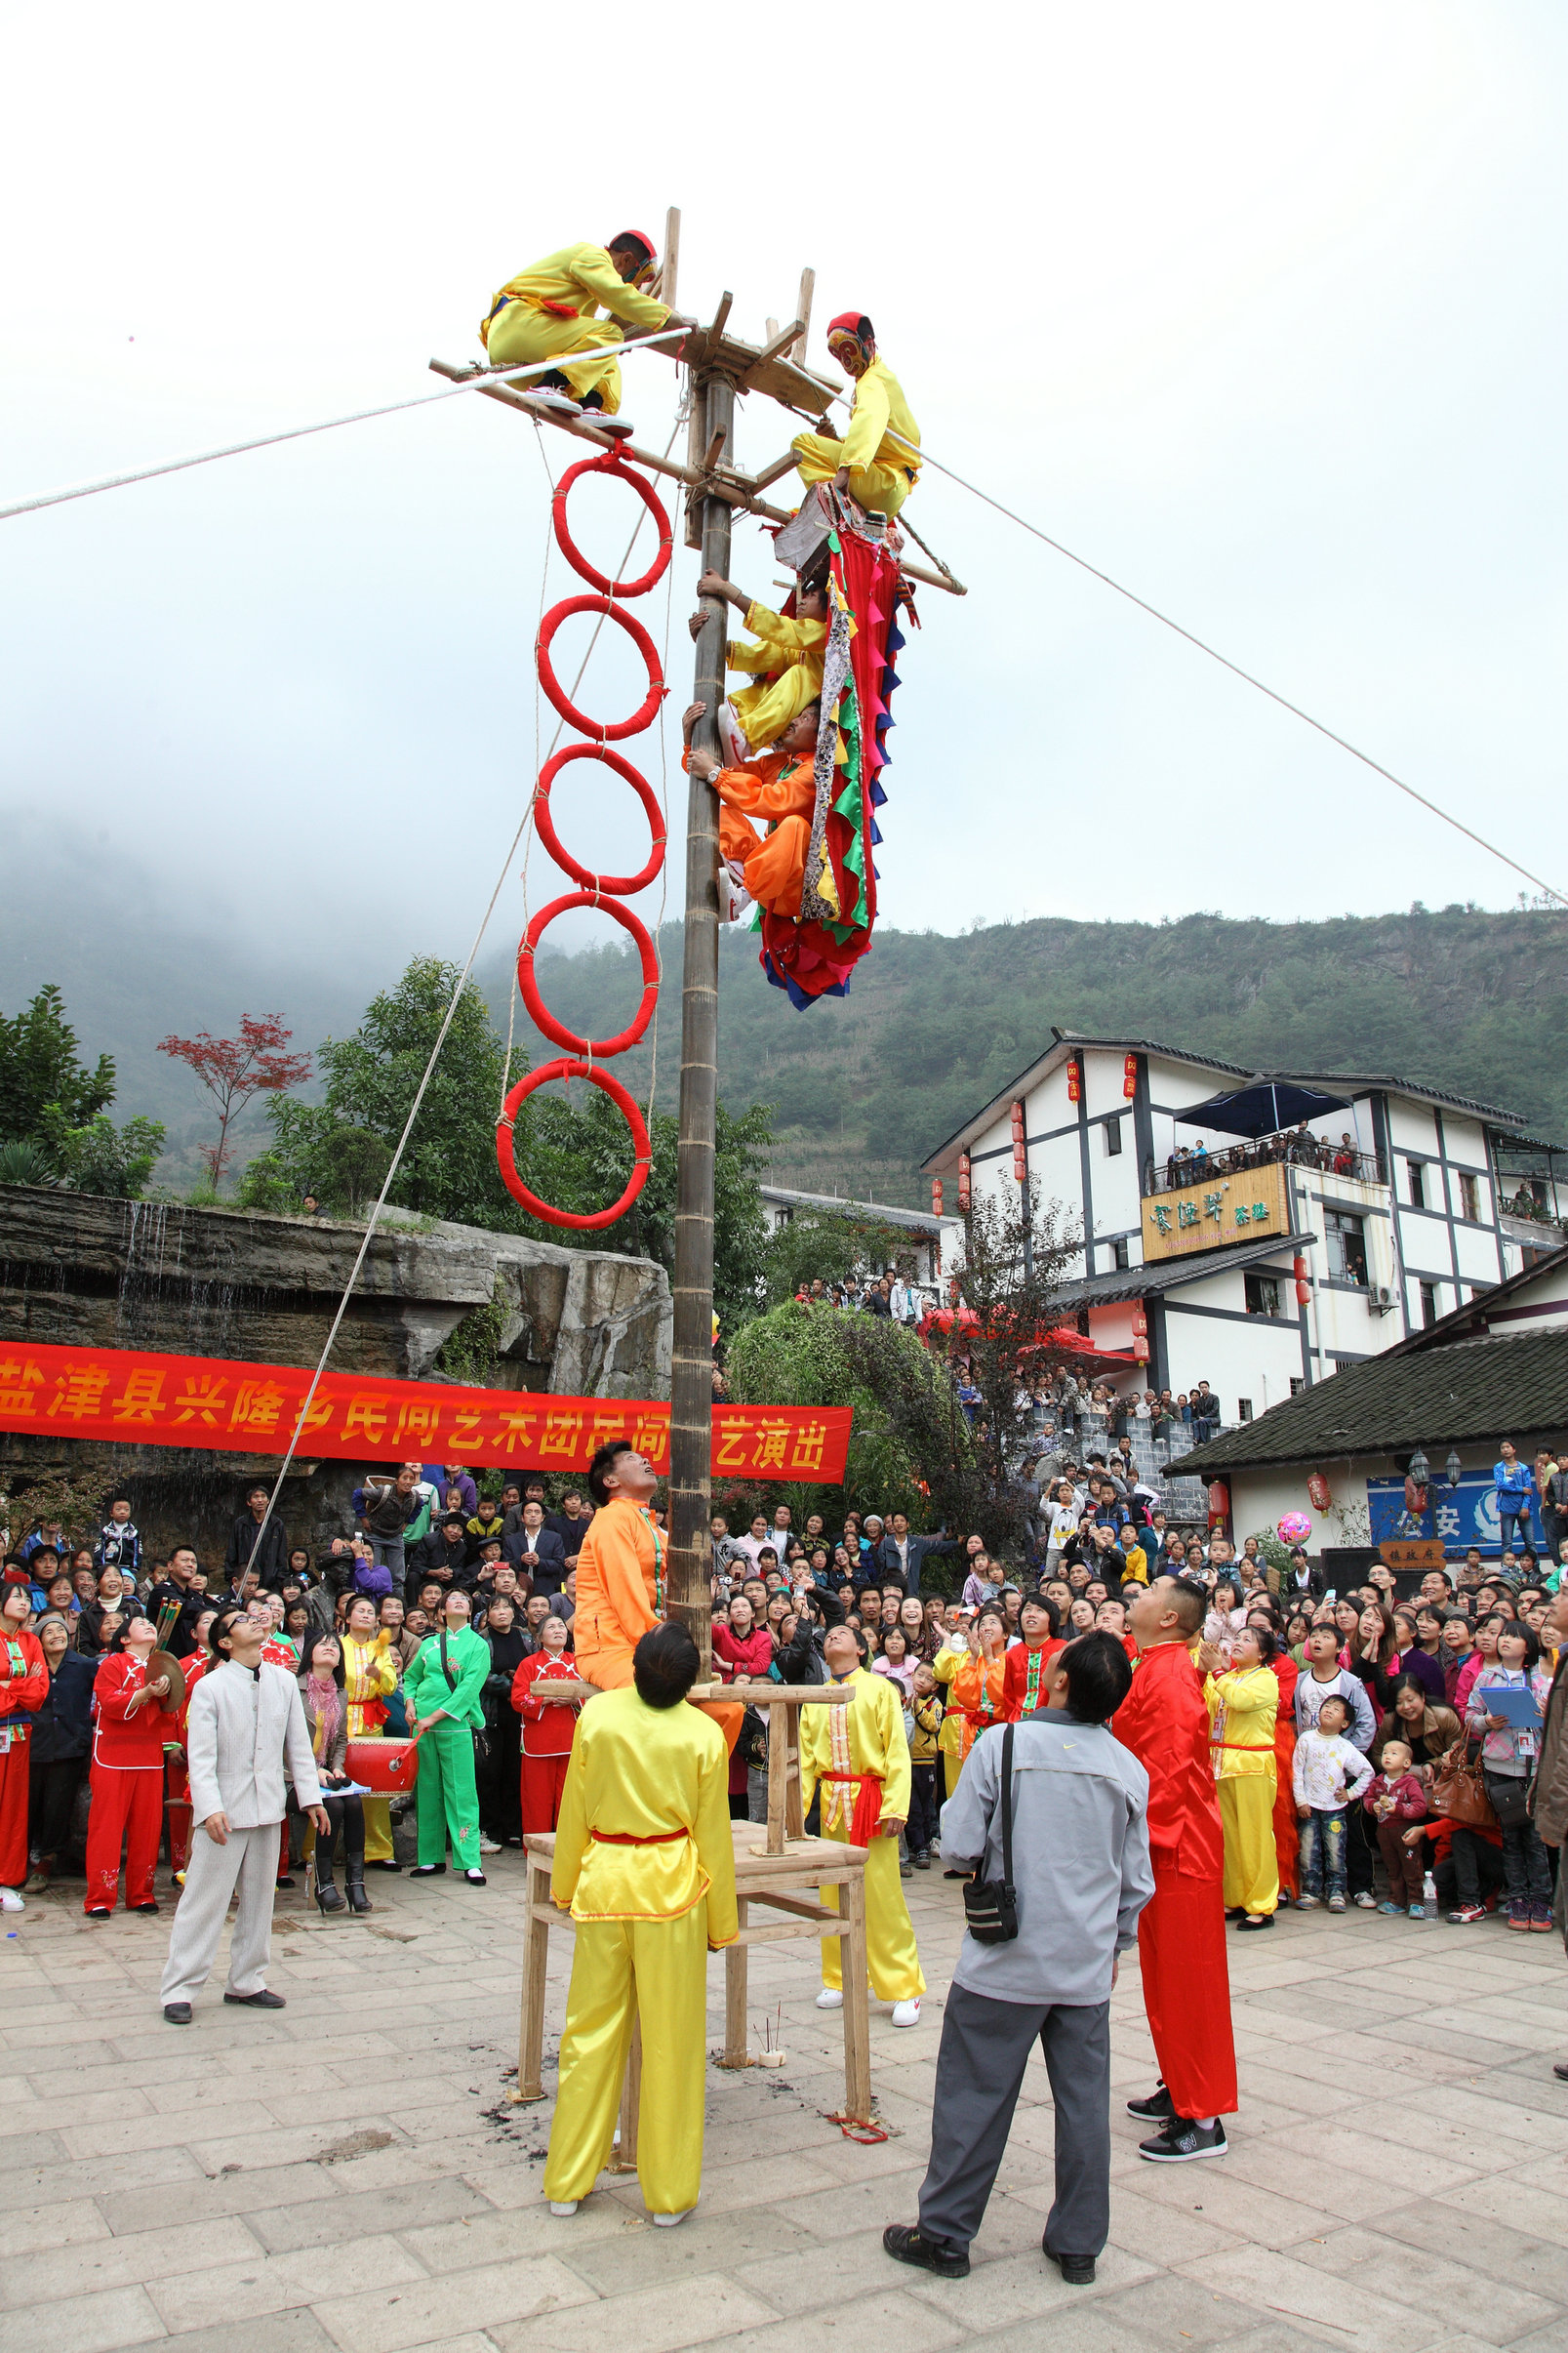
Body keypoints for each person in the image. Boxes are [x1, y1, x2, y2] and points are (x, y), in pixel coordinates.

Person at [884, 1633, 1151, 2286]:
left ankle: (946, 2234)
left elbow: (958, 1845)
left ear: (1058, 1682)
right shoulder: (1126, 1768)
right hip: (1083, 1966)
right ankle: (1078, 2243)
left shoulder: (1000, 1744)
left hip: (1002, 1960)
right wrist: (1113, 1944)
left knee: (972, 2095)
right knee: (1084, 2106)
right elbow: (1135, 1883)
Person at [543, 1622, 738, 2226]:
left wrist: (564, 1884)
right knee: (672, 2042)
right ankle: (669, 2193)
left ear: (634, 1665)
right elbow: (714, 1836)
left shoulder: (597, 1717)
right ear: (689, 1679)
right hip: (671, 1892)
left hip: (603, 1883)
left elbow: (574, 1804)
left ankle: (567, 2181)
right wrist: (721, 1922)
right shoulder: (704, 1734)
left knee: (588, 2034)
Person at [1114, 1576, 1236, 2161]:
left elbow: (1166, 1771)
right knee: (1165, 1979)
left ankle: (1204, 2116)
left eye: (1150, 1591)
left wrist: (1138, 1843)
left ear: (1169, 1618)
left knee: (1190, 1984)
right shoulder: (1155, 1665)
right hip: (1166, 1843)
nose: (1135, 1596)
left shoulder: (1167, 1675)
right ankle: (1180, 2085)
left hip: (1177, 1846)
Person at [160, 1605, 330, 2024]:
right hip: (226, 1809)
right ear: (224, 1642)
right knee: (203, 1900)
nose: (254, 1619)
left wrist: (310, 1798)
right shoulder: (210, 1687)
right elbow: (200, 1758)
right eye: (240, 1620)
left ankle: (247, 1981)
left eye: (254, 1617)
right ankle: (179, 1988)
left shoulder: (283, 1681)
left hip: (268, 1805)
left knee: (259, 1901)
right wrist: (210, 1808)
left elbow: (298, 1746)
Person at [571, 1440, 740, 1754]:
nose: (646, 1460)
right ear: (611, 1481)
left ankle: (694, 1795)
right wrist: (669, 1651)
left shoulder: (651, 1525)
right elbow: (627, 1595)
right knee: (667, 1711)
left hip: (651, 1647)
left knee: (728, 1710)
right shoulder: (611, 1518)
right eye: (633, 1459)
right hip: (612, 1648)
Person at [799, 1623, 924, 2027]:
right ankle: (838, 1976)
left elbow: (896, 1752)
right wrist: (794, 1816)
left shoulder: (881, 1689)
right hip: (832, 1802)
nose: (834, 1637)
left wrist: (894, 1807)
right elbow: (804, 1761)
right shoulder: (814, 1698)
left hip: (871, 1801)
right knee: (832, 1895)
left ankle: (904, 1986)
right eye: (829, 1634)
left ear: (861, 1647)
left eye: (843, 1633)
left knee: (882, 1897)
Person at [479, 230, 689, 426]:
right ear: (626, 260)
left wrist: (610, 347)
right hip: (518, 325)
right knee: (610, 333)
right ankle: (550, 386)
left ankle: (592, 408)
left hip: (522, 345)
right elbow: (617, 294)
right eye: (637, 280)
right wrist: (669, 317)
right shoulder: (592, 256)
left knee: (606, 356)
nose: (635, 288)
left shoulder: (587, 295)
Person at [683, 698, 823, 925]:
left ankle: (744, 894)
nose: (794, 721)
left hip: (797, 885)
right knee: (721, 809)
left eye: (805, 718)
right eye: (797, 715)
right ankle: (736, 880)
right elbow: (726, 773)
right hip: (769, 876)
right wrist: (692, 743)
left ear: (819, 738)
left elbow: (769, 801)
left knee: (795, 825)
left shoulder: (815, 771)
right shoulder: (779, 762)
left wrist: (715, 774)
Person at [84, 1612, 180, 1918]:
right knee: (107, 1828)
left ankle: (141, 1892)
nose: (148, 1624)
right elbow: (109, 1702)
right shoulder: (113, 1663)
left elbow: (171, 1711)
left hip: (149, 1757)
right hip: (113, 1756)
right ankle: (100, 1896)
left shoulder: (161, 1665)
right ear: (124, 1638)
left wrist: (164, 1695)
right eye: (139, 1624)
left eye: (150, 1623)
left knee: (148, 1828)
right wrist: (146, 1693)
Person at [791, 312, 921, 520]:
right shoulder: (880, 377)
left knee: (802, 445)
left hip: (886, 482)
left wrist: (846, 470)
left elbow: (869, 416)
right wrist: (835, 442)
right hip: (889, 485)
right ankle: (852, 508)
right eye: (839, 353)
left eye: (848, 349)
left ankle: (839, 508)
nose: (845, 359)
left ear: (869, 344)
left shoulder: (872, 380)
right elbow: (873, 436)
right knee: (822, 451)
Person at [1467, 1622, 1554, 1929]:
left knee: (1535, 1838)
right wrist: (1486, 1722)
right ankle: (1517, 1898)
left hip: (1534, 1769)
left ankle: (1541, 1901)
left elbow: (1558, 1721)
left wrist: (1548, 1715)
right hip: (1499, 1766)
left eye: (1514, 1637)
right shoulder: (1486, 1677)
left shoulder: (1543, 1681)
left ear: (1528, 1646)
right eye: (1503, 1635)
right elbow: (1469, 1716)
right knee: (1511, 1837)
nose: (1505, 1640)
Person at [693, 567, 828, 757]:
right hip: (791, 716)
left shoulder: (825, 635)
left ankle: (747, 737)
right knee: (774, 676)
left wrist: (726, 589)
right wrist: (710, 641)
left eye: (811, 596)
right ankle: (736, 715)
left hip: (816, 721)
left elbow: (779, 627)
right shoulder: (801, 649)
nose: (802, 600)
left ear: (826, 611)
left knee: (800, 675)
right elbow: (766, 655)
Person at [404, 1590, 489, 1885]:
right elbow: (412, 1677)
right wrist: (410, 1703)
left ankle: (469, 1860)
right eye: (451, 1599)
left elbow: (468, 1689)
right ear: (441, 1612)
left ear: (470, 1612)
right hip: (422, 1726)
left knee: (461, 1791)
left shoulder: (478, 1645)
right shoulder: (428, 1645)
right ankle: (430, 1857)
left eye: (464, 1600)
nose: (458, 1601)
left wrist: (434, 1716)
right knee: (427, 1790)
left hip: (454, 1725)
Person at [1204, 1624, 1281, 1928]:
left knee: (1256, 1836)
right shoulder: (1229, 1676)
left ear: (1261, 1653)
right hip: (1222, 1763)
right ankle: (1235, 1897)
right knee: (1230, 1838)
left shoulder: (1265, 1679)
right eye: (1237, 1637)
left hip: (1251, 1763)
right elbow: (1209, 1705)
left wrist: (1219, 1674)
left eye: (1247, 1640)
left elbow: (1242, 1701)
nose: (1238, 1643)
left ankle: (1262, 1904)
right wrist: (1212, 1673)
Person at [296, 1631, 370, 1915]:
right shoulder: (293, 1688)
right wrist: (312, 1770)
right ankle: (324, 1885)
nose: (329, 1648)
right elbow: (283, 1740)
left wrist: (336, 1767)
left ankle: (355, 1883)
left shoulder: (341, 1694)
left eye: (334, 1646)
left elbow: (340, 1739)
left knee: (352, 1802)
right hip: (293, 1776)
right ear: (310, 1653)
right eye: (322, 1644)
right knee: (334, 1806)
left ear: (340, 1660)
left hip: (326, 1775)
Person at [24, 1612, 96, 1890]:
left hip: (69, 1746)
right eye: (49, 1631)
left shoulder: (85, 1666)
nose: (57, 1635)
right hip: (35, 1743)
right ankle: (22, 1858)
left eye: (61, 1630)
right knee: (30, 1804)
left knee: (58, 1805)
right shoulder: (32, 1665)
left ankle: (47, 1861)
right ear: (39, 1640)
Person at [1292, 1692, 1376, 1910]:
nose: (1328, 1710)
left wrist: (1351, 1792)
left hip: (1335, 1808)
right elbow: (1297, 1771)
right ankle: (1311, 1890)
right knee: (1309, 1849)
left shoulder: (1344, 1747)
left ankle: (1336, 1890)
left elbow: (1367, 1772)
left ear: (1345, 1723)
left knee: (1335, 1849)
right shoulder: (1306, 1739)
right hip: (1310, 1805)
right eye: (1326, 1706)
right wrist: (1300, 1800)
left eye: (1336, 1709)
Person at [511, 1609, 589, 1836]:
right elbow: (518, 1698)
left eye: (561, 1627)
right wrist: (545, 1699)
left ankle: (568, 1847)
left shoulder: (579, 1663)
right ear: (539, 1637)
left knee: (570, 1798)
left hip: (570, 1738)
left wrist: (575, 1699)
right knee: (537, 1799)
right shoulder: (529, 1664)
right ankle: (536, 1849)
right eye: (551, 1628)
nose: (558, 1631)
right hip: (539, 1741)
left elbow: (593, 1694)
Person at [341, 1592, 401, 1871]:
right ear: (347, 1617)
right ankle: (318, 1849)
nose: (365, 1615)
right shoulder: (337, 1645)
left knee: (373, 1788)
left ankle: (378, 1850)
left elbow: (390, 1686)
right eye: (359, 1611)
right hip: (340, 1719)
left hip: (370, 1720)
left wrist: (379, 1674)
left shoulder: (381, 1648)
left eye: (369, 1612)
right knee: (334, 1785)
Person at [0, 1577, 49, 1911]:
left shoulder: (32, 1641)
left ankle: (6, 1880)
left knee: (13, 1809)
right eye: (15, 1596)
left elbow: (39, 1694)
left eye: (27, 1598)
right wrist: (23, 1682)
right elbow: (28, 1687)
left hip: (19, 1737)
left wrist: (8, 1685)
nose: (23, 1601)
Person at [934, 1608, 1010, 1806]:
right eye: (981, 1625)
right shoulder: (971, 1659)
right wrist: (975, 1659)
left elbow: (1002, 1693)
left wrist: (991, 1659)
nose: (985, 1628)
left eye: (992, 1623)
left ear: (1006, 1633)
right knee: (963, 1795)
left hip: (1000, 1732)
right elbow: (965, 1696)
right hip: (970, 1731)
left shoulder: (1012, 1659)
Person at [1363, 1739, 1430, 1917]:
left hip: (1404, 1831)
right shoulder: (1378, 1782)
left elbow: (1420, 1806)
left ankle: (1417, 1901)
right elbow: (1368, 1799)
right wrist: (1373, 1806)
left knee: (1412, 1866)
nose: (1388, 1756)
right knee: (1392, 1867)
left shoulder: (1410, 1783)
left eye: (1394, 1753)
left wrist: (1398, 1809)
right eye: (1385, 1752)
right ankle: (1396, 1899)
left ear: (1406, 1762)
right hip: (1384, 1831)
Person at [1003, 1594, 1065, 1720]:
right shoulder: (1013, 1654)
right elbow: (1008, 1697)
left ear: (1051, 1621)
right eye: (1027, 1609)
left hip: (1053, 1724)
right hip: (1018, 1724)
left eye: (1039, 1610)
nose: (1031, 1614)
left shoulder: (1063, 1650)